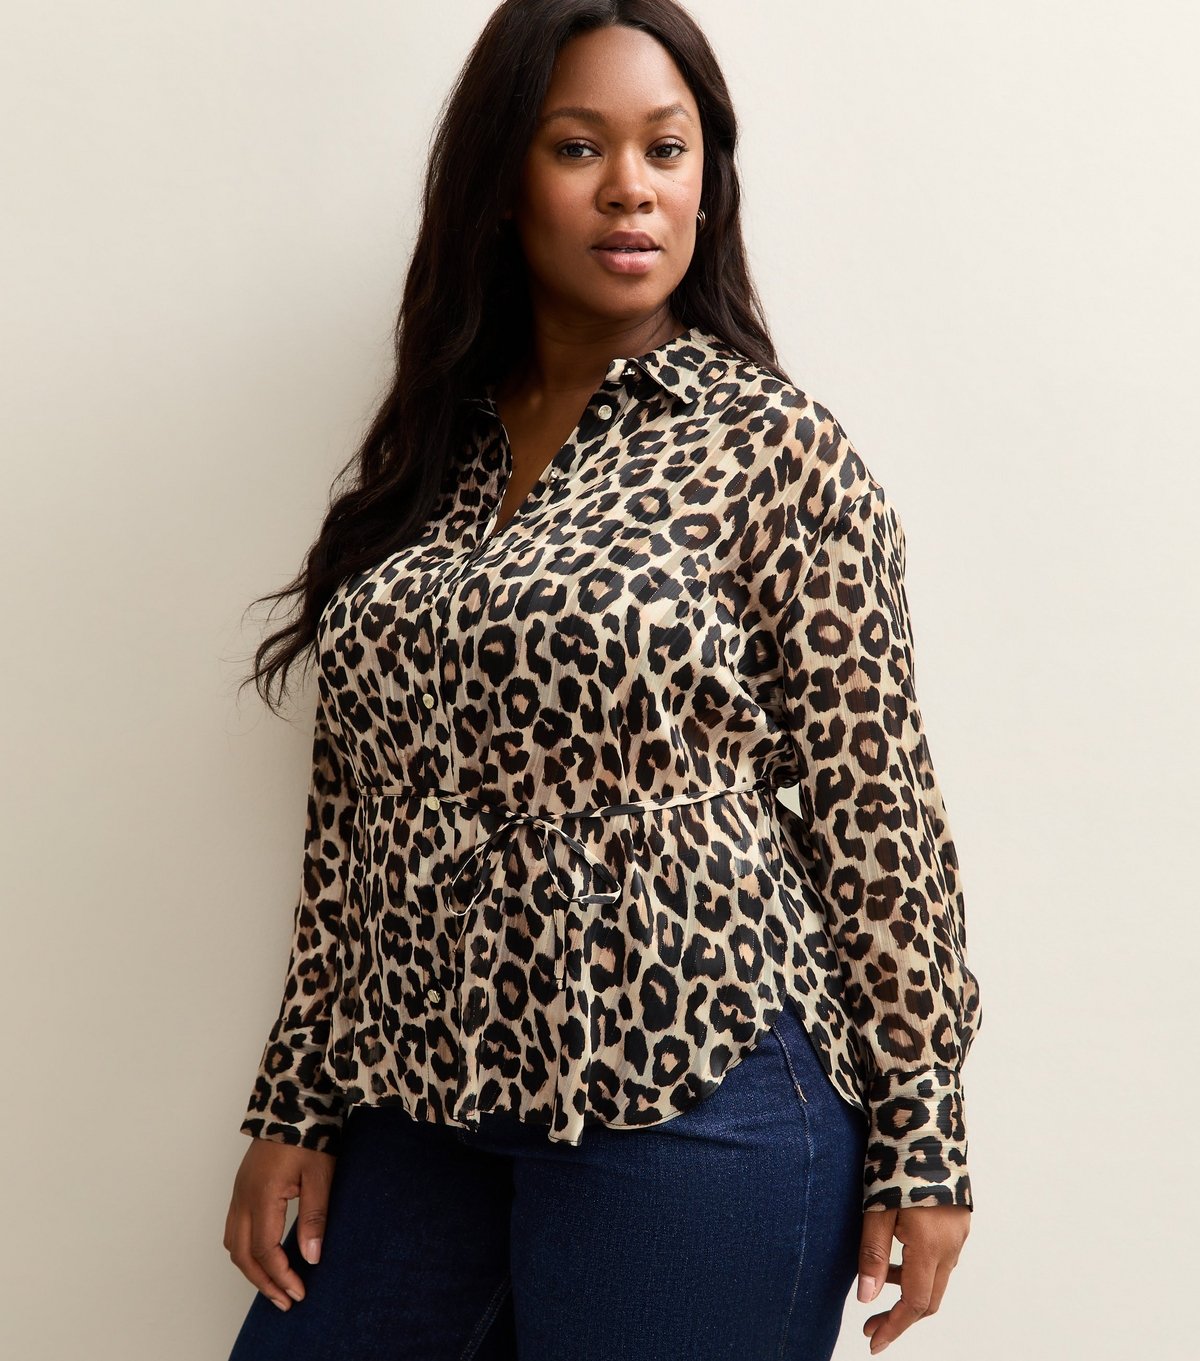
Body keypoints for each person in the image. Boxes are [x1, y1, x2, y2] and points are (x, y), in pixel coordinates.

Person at [222, 3, 982, 1358]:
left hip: (699, 1087)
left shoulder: (776, 451)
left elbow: (878, 811)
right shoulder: (430, 452)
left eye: (667, 150)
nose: (632, 187)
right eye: (579, 147)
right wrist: (299, 1100)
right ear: (500, 183)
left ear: (707, 184)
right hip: (422, 1091)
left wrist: (925, 1137)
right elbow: (354, 818)